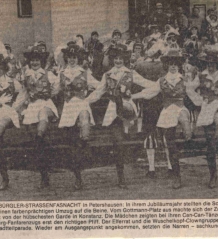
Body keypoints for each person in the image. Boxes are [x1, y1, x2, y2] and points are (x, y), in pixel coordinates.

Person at [86, 48, 156, 188]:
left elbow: (150, 85)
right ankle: (121, 178)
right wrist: (84, 101)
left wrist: (139, 95)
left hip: (128, 108)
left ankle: (124, 113)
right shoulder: (107, 74)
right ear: (112, 59)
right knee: (118, 143)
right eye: (115, 58)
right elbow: (98, 93)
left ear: (124, 59)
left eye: (120, 58)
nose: (118, 61)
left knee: (123, 137)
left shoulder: (131, 73)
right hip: (113, 111)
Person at [132, 49, 192, 189]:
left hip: (180, 107)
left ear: (179, 66)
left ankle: (187, 130)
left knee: (183, 116)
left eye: (175, 64)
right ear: (167, 65)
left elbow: (193, 94)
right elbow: (149, 92)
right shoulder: (162, 80)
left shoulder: (184, 79)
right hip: (167, 112)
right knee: (170, 145)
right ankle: (177, 176)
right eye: (171, 64)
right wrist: (132, 97)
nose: (173, 66)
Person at [58, 44, 99, 190]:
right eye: (69, 57)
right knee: (73, 146)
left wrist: (90, 98)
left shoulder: (85, 72)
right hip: (69, 108)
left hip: (82, 103)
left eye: (74, 57)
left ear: (78, 58)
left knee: (84, 128)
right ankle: (78, 178)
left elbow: (100, 86)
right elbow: (55, 89)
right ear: (66, 58)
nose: (72, 60)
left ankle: (85, 141)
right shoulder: (61, 73)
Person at [186, 49, 218, 188]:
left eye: (214, 63)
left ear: (217, 64)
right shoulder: (201, 76)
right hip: (207, 109)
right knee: (210, 145)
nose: (211, 66)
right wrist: (199, 100)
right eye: (209, 63)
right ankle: (213, 175)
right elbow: (189, 89)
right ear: (206, 64)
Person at [21, 46, 59, 189]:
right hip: (32, 106)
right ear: (30, 62)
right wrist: (16, 108)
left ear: (41, 61)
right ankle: (44, 175)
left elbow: (58, 85)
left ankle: (40, 137)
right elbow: (23, 93)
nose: (35, 63)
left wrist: (50, 94)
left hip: (45, 104)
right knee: (39, 144)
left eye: (37, 60)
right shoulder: (27, 75)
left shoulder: (48, 74)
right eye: (32, 60)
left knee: (42, 117)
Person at [0, 55, 25, 190]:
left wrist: (14, 108)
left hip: (5, 112)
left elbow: (23, 94)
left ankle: (4, 178)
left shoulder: (11, 82)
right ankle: (4, 176)